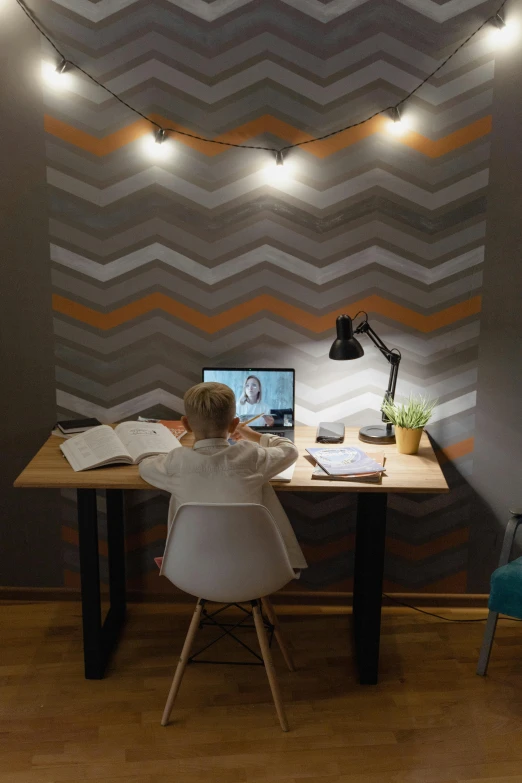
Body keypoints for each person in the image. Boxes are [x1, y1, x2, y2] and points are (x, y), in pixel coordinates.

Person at [139, 382, 307, 570]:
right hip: (256, 570)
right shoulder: (251, 456)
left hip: (193, 571)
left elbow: (145, 466)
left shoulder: (175, 463)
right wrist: (251, 434)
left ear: (186, 424)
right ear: (234, 424)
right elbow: (289, 450)